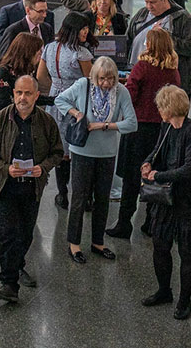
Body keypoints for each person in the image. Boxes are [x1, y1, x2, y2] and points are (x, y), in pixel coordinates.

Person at [0, 75, 64, 304]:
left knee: (25, 234)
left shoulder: (46, 122)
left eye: (28, 93)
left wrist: (43, 168)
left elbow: (57, 153)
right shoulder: (1, 118)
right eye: (19, 93)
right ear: (13, 94)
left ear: (37, 95)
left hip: (31, 188)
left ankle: (17, 266)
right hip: (5, 187)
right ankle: (9, 283)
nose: (22, 98)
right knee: (7, 235)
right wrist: (5, 168)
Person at [55, 56, 136, 264]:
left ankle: (98, 241)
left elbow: (132, 123)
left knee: (102, 199)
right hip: (82, 151)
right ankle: (74, 243)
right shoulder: (83, 86)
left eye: (110, 79)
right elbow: (60, 99)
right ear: (94, 77)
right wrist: (77, 113)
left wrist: (104, 126)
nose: (106, 84)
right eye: (101, 79)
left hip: (107, 153)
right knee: (79, 199)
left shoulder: (121, 92)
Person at [137, 85, 191, 319]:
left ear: (169, 107)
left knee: (188, 252)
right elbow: (156, 151)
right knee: (160, 246)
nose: (158, 109)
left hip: (188, 200)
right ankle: (164, 290)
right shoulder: (166, 127)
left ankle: (184, 300)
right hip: (166, 199)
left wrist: (158, 176)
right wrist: (148, 162)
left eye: (160, 105)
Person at [108, 28, 182, 239]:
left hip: (138, 129)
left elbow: (129, 95)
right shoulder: (173, 71)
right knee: (153, 175)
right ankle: (151, 222)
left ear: (151, 45)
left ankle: (124, 223)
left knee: (131, 178)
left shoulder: (142, 67)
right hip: (162, 130)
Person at [37, 13, 94, 209]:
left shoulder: (50, 48)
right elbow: (90, 81)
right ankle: (83, 196)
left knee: (61, 150)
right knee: (78, 147)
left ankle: (62, 194)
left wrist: (55, 89)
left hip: (55, 100)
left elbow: (41, 76)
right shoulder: (82, 54)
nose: (86, 32)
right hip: (77, 102)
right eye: (83, 28)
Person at [125, 0, 191, 93]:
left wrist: (166, 38)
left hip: (170, 84)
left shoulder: (183, 18)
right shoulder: (142, 14)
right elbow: (128, 38)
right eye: (146, 2)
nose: (149, 6)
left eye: (153, 2)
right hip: (142, 77)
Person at [0, 32, 47, 114]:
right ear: (28, 52)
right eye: (38, 51)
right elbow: (3, 102)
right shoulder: (4, 71)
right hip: (7, 117)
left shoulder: (30, 70)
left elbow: (33, 96)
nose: (40, 54)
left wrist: (54, 100)